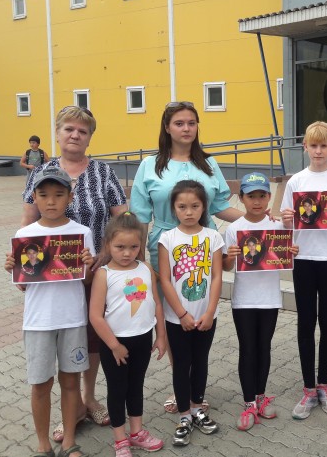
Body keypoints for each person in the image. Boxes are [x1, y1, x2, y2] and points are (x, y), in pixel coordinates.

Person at [22, 106, 128, 441]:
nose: (75, 135)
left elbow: (121, 218)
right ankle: (70, 410)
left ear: (90, 137)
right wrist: (22, 266)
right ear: (58, 133)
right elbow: (27, 223)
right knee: (58, 337)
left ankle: (88, 398)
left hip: (95, 271)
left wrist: (107, 255)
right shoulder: (42, 172)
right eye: (69, 129)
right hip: (52, 278)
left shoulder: (103, 171)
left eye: (83, 131)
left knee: (91, 338)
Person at [130, 101, 243, 414]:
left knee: (200, 310)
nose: (186, 128)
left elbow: (221, 206)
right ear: (167, 127)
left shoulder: (208, 164)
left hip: (203, 249)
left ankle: (196, 388)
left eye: (191, 123)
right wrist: (137, 258)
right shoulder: (149, 165)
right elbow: (140, 215)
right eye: (179, 123)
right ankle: (180, 386)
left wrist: (257, 220)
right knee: (174, 317)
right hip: (164, 248)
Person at [5, 166, 94, 457]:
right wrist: (13, 270)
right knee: (41, 384)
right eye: (44, 195)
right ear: (34, 197)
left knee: (70, 382)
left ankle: (69, 440)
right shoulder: (24, 235)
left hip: (73, 319)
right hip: (38, 322)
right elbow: (23, 286)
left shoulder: (82, 233)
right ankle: (43, 444)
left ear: (70, 197)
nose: (51, 201)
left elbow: (87, 281)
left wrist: (89, 266)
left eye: (58, 194)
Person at [279, 121, 327, 420]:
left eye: (324, 145)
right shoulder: (296, 182)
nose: (319, 151)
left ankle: (324, 383)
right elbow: (287, 227)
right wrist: (287, 220)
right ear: (305, 147)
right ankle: (308, 388)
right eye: (314, 145)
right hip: (304, 260)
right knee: (305, 322)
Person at [223, 172, 299, 431]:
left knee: (264, 348)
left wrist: (292, 251)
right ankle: (248, 404)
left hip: (269, 299)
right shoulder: (233, 229)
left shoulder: (277, 227)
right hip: (243, 300)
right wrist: (230, 256)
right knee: (248, 349)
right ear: (241, 198)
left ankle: (260, 396)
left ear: (268, 197)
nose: (256, 201)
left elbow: (286, 254)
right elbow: (225, 266)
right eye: (251, 196)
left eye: (262, 196)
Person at [89, 212, 166, 457]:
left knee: (136, 386)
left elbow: (157, 304)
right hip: (115, 344)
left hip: (142, 339)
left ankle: (137, 432)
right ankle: (120, 439)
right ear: (108, 244)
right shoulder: (104, 274)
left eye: (133, 247)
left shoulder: (145, 268)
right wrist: (114, 345)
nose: (126, 253)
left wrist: (161, 336)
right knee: (117, 389)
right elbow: (95, 316)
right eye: (120, 247)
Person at [158, 180, 224, 446]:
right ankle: (184, 414)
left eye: (195, 206)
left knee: (201, 362)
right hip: (177, 319)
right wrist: (181, 314)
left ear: (203, 207)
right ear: (174, 208)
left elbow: (217, 276)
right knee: (181, 364)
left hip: (206, 316)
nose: (188, 212)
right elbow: (165, 279)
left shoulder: (213, 237)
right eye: (182, 206)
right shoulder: (167, 238)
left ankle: (197, 408)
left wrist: (210, 312)